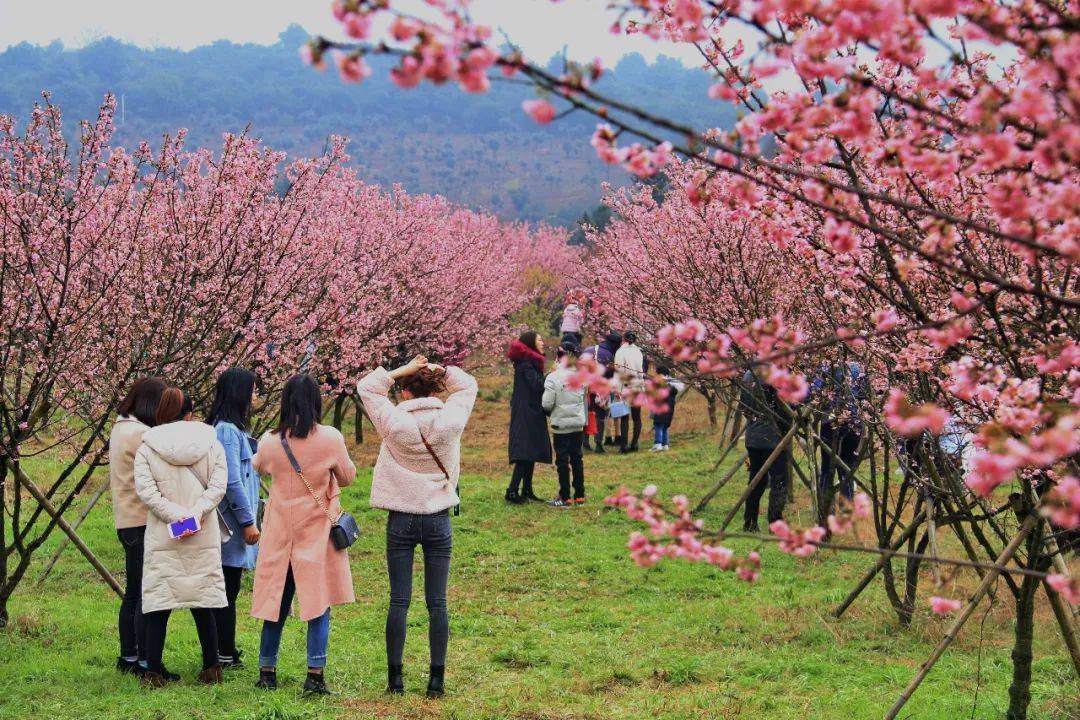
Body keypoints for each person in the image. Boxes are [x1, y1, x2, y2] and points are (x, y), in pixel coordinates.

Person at [357, 355, 478, 698]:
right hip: (438, 517)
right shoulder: (450, 419)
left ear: (406, 392)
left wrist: (400, 370)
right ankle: (436, 681)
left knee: (399, 600)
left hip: (401, 518)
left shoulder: (393, 421)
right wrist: (442, 371)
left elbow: (367, 387)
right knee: (437, 602)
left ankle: (395, 679)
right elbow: (467, 385)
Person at [251, 374, 357, 695]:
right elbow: (349, 476)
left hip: (280, 533)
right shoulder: (330, 438)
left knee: (276, 604)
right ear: (315, 401)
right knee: (318, 604)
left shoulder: (270, 441)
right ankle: (314, 675)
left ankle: (267, 671)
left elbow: (258, 466)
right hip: (316, 534)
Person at [133, 387, 228, 687]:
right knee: (203, 602)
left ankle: (153, 671)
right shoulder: (211, 442)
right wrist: (196, 513)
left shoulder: (147, 446)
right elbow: (218, 485)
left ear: (160, 411)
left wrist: (177, 516)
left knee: (160, 603)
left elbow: (147, 493)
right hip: (202, 532)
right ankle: (212, 666)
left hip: (165, 535)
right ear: (190, 412)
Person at [108, 376, 166, 677]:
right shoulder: (142, 434)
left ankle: (128, 657)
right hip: (143, 521)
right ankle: (145, 661)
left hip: (126, 519)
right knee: (145, 593)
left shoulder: (120, 429)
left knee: (132, 592)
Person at [206, 368, 262, 669]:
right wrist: (247, 521)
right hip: (230, 527)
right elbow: (231, 481)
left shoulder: (231, 429)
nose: (256, 397)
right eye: (253, 391)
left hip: (233, 524)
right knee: (226, 590)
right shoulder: (226, 431)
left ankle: (223, 651)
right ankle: (223, 653)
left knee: (228, 588)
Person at [810, 362, 867, 522]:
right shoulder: (860, 368)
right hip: (854, 425)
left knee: (827, 469)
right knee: (847, 469)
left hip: (830, 424)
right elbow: (867, 396)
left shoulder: (826, 367)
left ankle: (825, 509)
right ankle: (846, 509)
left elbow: (813, 391)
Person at [738, 368, 793, 532]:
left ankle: (750, 522)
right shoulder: (777, 374)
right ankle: (775, 523)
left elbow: (744, 407)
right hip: (774, 438)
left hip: (753, 437)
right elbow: (789, 405)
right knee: (779, 482)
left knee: (756, 481)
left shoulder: (748, 374)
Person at [505, 331, 552, 504]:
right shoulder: (526, 363)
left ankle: (527, 489)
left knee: (530, 451)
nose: (543, 342)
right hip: (526, 411)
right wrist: (550, 376)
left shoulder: (530, 362)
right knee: (525, 452)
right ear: (531, 343)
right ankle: (511, 491)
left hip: (532, 410)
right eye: (539, 340)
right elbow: (537, 385)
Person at [542, 343, 588, 507]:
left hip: (561, 425)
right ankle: (580, 495)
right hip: (577, 423)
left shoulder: (553, 377)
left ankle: (565, 496)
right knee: (577, 458)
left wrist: (549, 412)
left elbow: (547, 402)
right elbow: (583, 398)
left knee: (562, 460)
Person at [614, 331, 645, 453]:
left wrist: (617, 388)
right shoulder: (638, 351)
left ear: (624, 339)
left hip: (626, 386)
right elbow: (641, 370)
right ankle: (635, 443)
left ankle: (624, 446)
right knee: (637, 417)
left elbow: (618, 372)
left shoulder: (620, 352)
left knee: (624, 417)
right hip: (637, 385)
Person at [649, 366, 687, 452]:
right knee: (665, 427)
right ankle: (665, 445)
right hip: (669, 410)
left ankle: (657, 444)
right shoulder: (673, 387)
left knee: (658, 425)